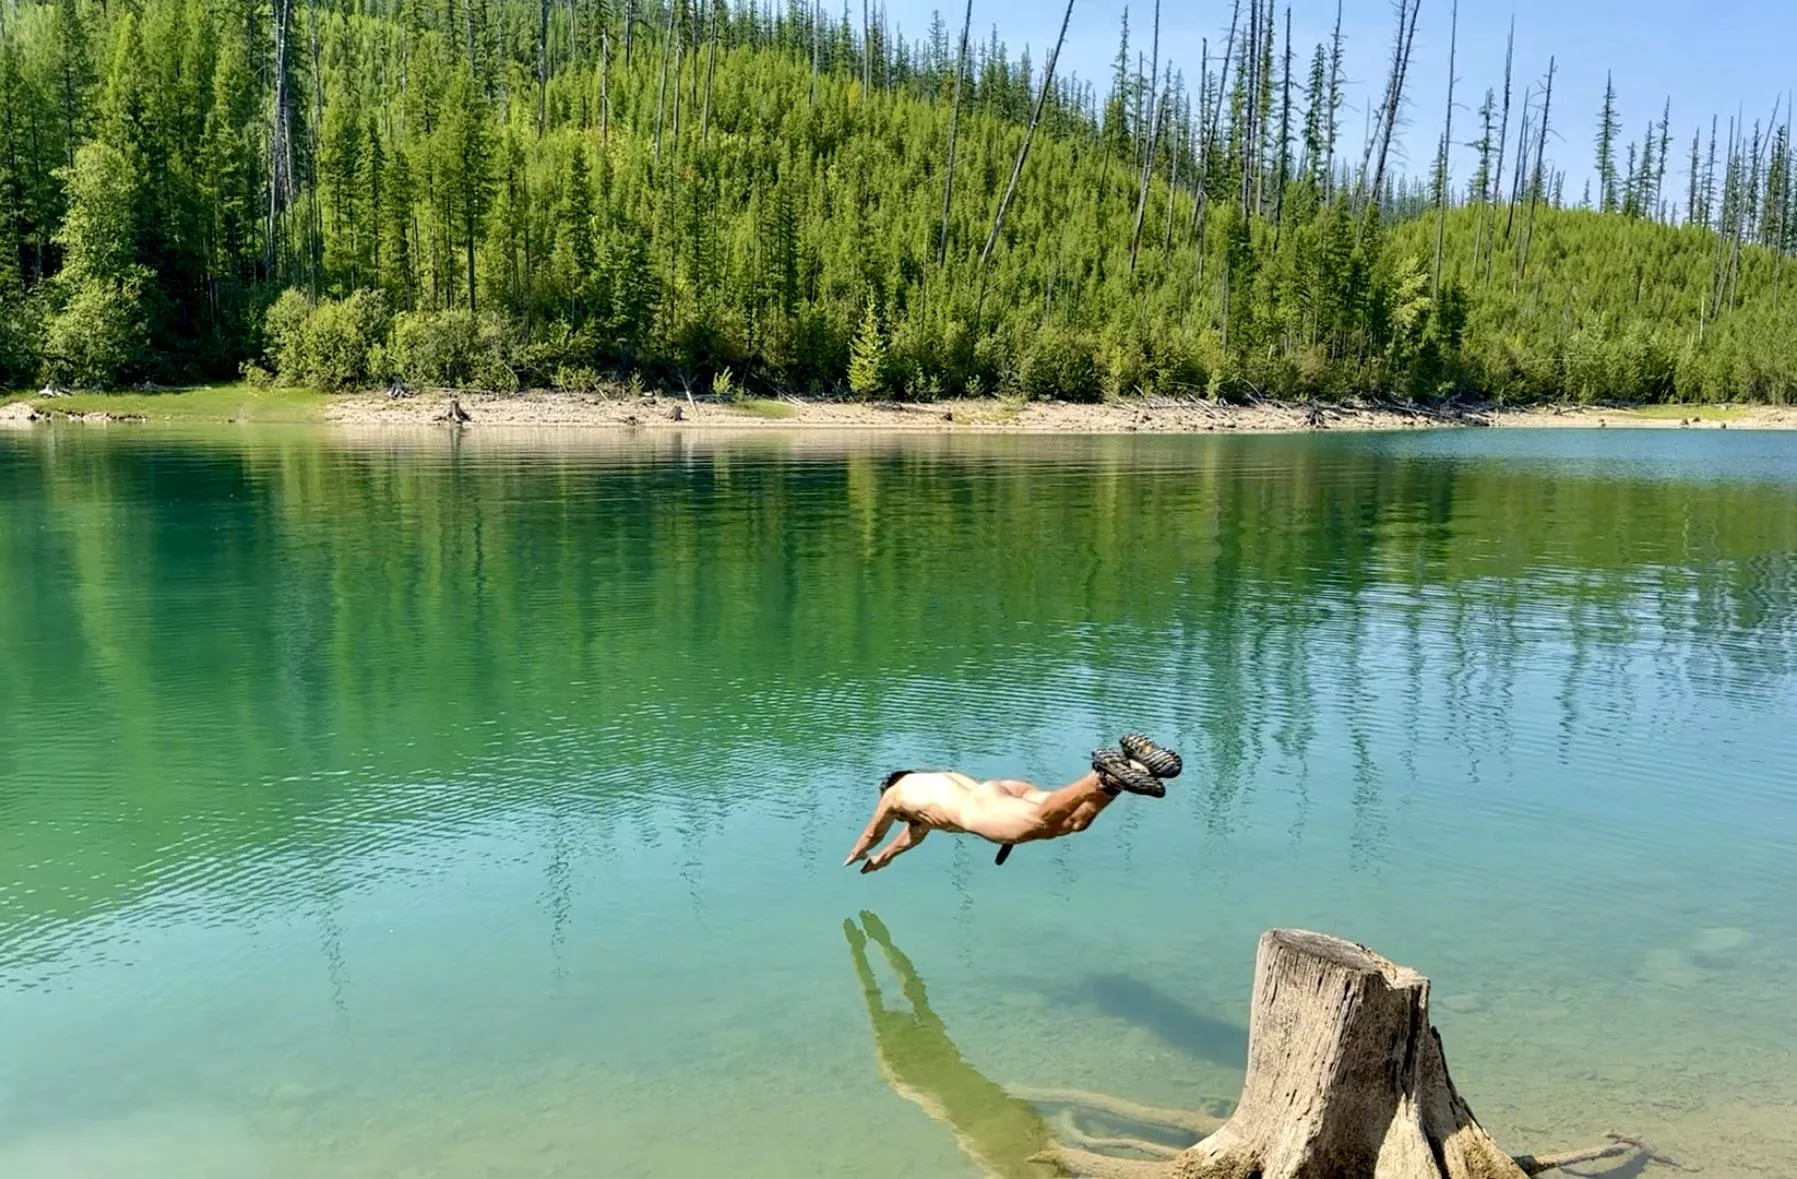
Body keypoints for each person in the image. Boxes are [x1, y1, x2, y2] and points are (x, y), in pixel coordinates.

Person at [842, 734, 1182, 873]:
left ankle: (1101, 776)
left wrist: (857, 852)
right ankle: (1131, 770)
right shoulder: (929, 784)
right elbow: (910, 837)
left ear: (889, 789)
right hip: (1000, 789)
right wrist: (882, 859)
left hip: (979, 810)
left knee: (1041, 820)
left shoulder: (894, 795)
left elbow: (874, 833)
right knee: (1072, 823)